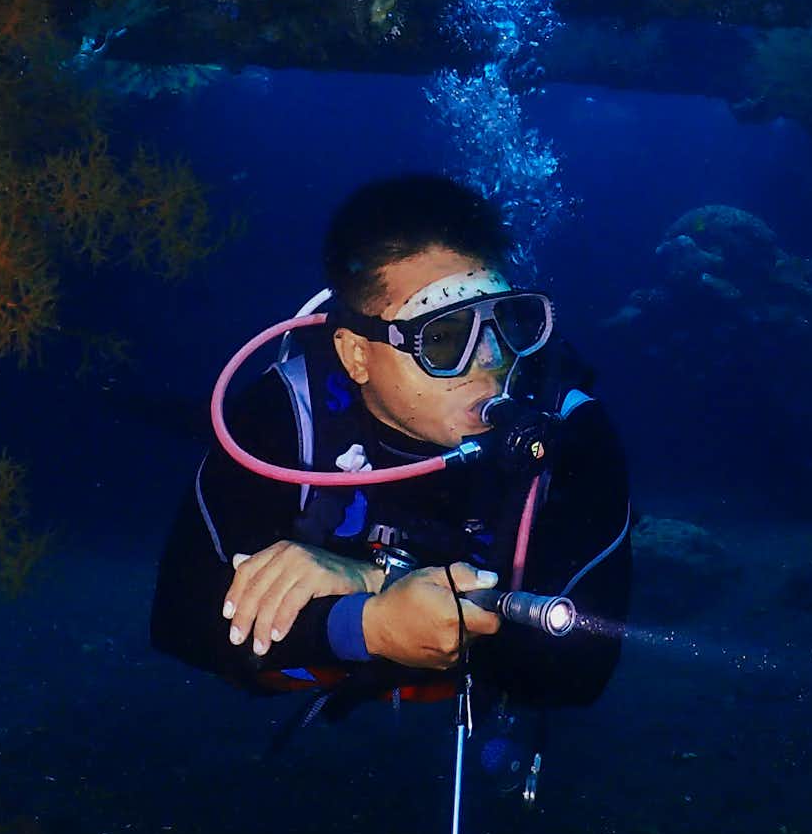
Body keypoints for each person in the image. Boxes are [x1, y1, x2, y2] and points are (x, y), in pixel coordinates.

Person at [149, 175, 631, 717]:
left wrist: (370, 583)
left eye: (508, 321)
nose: (493, 359)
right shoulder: (286, 412)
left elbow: (581, 672)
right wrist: (369, 627)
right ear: (356, 354)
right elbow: (181, 620)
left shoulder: (570, 432)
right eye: (445, 337)